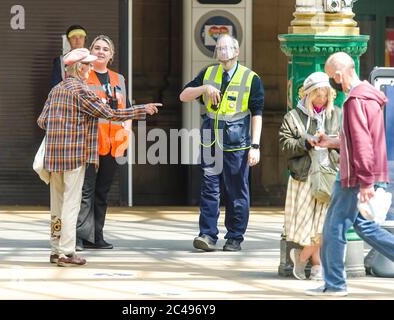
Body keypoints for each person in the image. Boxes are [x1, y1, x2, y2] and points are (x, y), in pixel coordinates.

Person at [37, 48, 160, 267]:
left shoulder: (56, 89)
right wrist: (141, 109)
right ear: (80, 67)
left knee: (56, 203)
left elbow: (42, 120)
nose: (91, 68)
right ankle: (66, 252)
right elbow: (109, 114)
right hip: (74, 155)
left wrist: (61, 128)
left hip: (54, 157)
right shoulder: (80, 90)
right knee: (71, 204)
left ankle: (55, 249)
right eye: (88, 65)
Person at [306, 52, 394, 296]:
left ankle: (335, 285)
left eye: (331, 76)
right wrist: (331, 142)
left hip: (354, 177)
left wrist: (365, 182)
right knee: (367, 229)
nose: (333, 82)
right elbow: (356, 140)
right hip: (360, 175)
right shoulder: (369, 97)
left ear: (339, 74)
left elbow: (362, 143)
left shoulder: (354, 100)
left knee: (333, 228)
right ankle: (331, 283)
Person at [76, 35, 162, 251]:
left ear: (111, 55)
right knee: (85, 191)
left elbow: (127, 109)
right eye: (97, 47)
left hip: (114, 144)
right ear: (90, 51)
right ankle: (78, 237)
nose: (101, 51)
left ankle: (96, 236)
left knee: (102, 192)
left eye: (105, 49)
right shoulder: (84, 76)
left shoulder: (119, 79)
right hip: (90, 143)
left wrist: (126, 131)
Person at [179, 34, 264, 252]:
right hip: (211, 142)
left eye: (227, 48)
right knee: (209, 189)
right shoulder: (208, 73)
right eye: (219, 48)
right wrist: (204, 89)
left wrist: (255, 146)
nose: (223, 51)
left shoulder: (250, 78)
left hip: (238, 143)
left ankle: (235, 237)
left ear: (236, 52)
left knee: (237, 191)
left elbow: (257, 113)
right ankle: (207, 235)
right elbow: (184, 95)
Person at [279, 72, 340, 280]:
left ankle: (302, 257)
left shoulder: (336, 115)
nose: (322, 100)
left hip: (329, 176)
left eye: (325, 96)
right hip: (304, 177)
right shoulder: (293, 117)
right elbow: (285, 146)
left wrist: (331, 143)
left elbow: (346, 144)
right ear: (308, 94)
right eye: (318, 96)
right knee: (307, 226)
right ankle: (317, 266)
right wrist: (306, 143)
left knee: (325, 224)